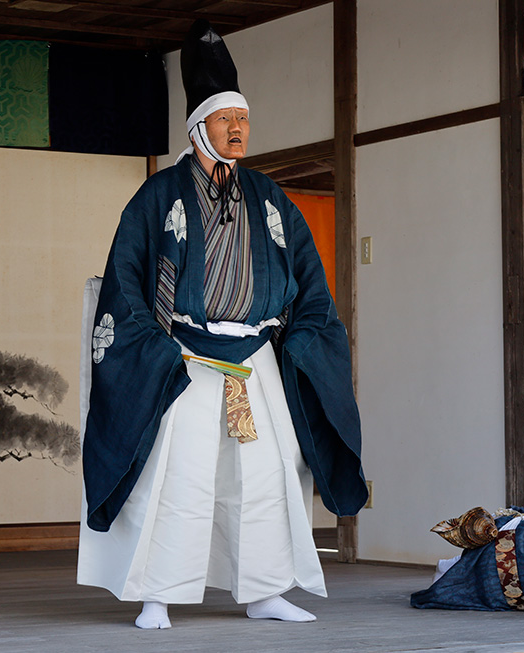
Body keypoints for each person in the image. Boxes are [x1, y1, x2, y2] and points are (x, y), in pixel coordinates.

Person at [77, 20, 367, 629]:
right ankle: (157, 592)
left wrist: (309, 339)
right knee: (177, 475)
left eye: (244, 119)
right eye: (225, 119)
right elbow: (126, 278)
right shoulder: (159, 197)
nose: (239, 129)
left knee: (266, 474)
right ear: (197, 128)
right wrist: (154, 350)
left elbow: (310, 280)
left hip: (254, 354)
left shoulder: (269, 196)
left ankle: (263, 589)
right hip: (185, 354)